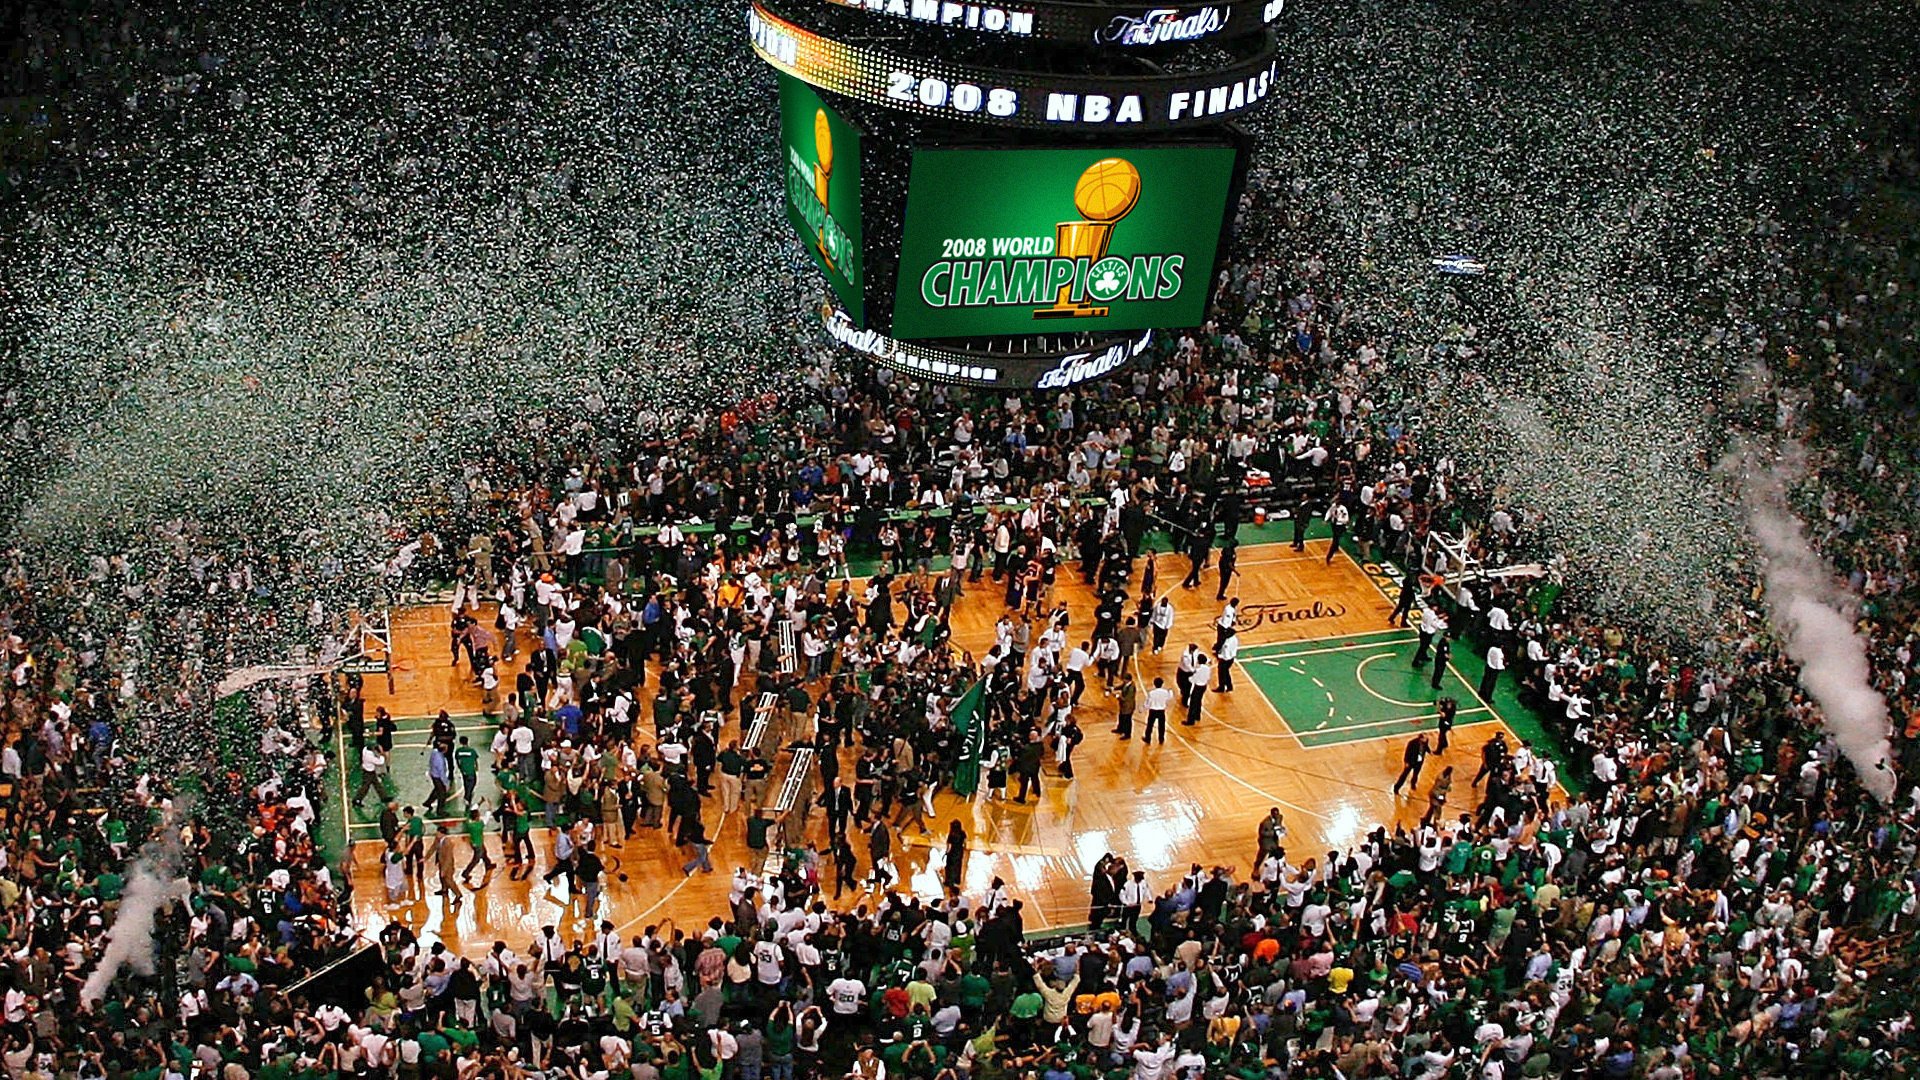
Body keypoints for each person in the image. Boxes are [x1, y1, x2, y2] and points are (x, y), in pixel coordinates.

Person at [1184, 654, 1211, 726]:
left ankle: (1191, 720)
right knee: (1199, 701)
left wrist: (1189, 678)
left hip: (1198, 687)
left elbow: (1193, 679)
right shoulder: (1208, 668)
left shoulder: (1198, 670)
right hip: (1204, 686)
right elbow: (1208, 677)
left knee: (1193, 703)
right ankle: (1197, 716)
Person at [1143, 678, 1173, 745]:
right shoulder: (1165, 692)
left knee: (1150, 725)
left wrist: (1144, 708)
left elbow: (1148, 703)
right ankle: (1161, 739)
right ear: (1162, 684)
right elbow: (1170, 697)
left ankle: (1148, 738)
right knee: (1161, 726)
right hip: (1161, 711)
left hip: (1153, 711)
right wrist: (1170, 691)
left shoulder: (1151, 693)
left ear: (1154, 684)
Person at [943, 820, 967, 893]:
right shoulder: (962, 833)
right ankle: (957, 880)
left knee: (950, 867)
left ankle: (949, 881)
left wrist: (946, 853)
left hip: (952, 853)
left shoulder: (951, 835)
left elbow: (949, 846)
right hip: (959, 852)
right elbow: (965, 843)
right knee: (958, 866)